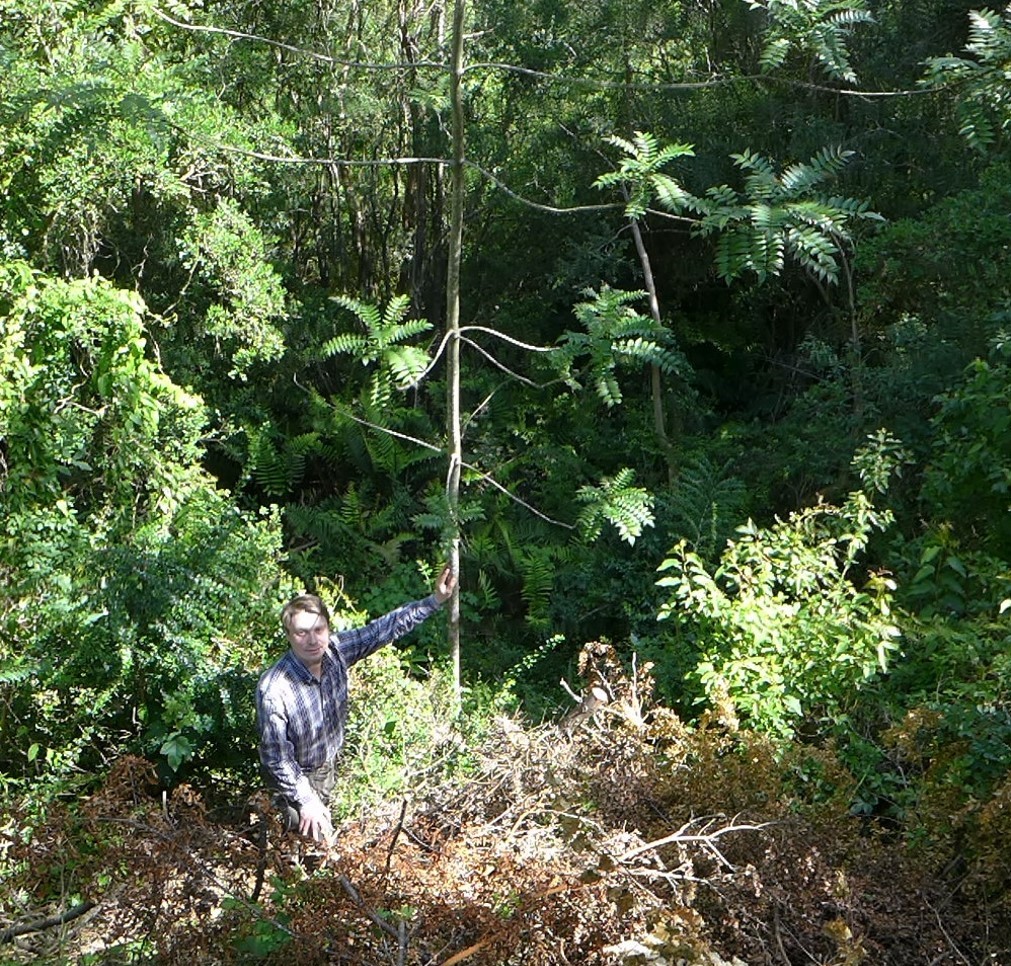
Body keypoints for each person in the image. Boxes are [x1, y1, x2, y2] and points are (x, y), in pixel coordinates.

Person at [256, 566, 457, 843]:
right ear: (289, 635)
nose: (313, 640)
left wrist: (434, 601)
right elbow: (276, 758)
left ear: (328, 627)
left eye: (318, 629)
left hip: (326, 766)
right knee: (305, 842)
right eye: (302, 633)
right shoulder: (276, 689)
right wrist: (306, 801)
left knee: (315, 838)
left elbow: (382, 630)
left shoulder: (336, 651)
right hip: (292, 778)